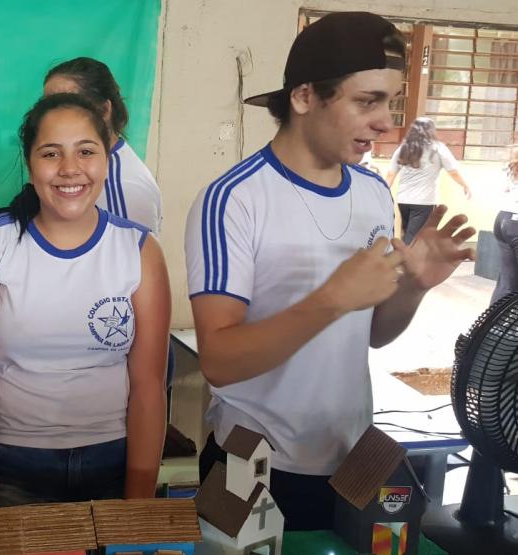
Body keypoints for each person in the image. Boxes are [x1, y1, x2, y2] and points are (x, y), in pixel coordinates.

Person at [185, 12, 475, 531]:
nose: (387, 122)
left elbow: (374, 335)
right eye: (367, 101)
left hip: (351, 458)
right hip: (249, 462)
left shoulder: (371, 193)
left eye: (391, 101)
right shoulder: (233, 200)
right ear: (304, 98)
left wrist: (412, 288)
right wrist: (333, 298)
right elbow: (220, 361)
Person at [0, 93, 170, 513]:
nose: (70, 169)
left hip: (113, 462)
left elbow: (148, 388)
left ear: (106, 160)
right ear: (30, 165)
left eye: (86, 151)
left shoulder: (139, 249)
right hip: (14, 468)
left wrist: (137, 507)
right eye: (51, 153)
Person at [44, 57, 162, 235]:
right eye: (47, 105)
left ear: (105, 110)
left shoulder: (123, 187)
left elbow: (129, 260)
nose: (55, 116)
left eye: (70, 104)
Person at [386, 117, 472, 244]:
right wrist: (465, 186)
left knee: (408, 232)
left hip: (403, 200)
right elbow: (453, 171)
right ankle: (403, 259)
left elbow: (390, 175)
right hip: (424, 201)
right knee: (415, 238)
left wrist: (382, 192)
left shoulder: (403, 148)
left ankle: (404, 259)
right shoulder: (437, 148)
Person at [491, 146, 518, 304]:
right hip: (515, 224)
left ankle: (490, 326)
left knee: (507, 282)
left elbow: (505, 190)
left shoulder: (511, 168)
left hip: (503, 218)